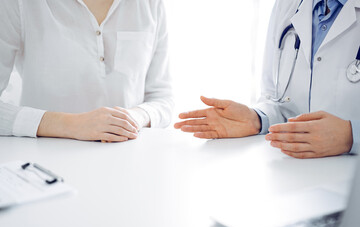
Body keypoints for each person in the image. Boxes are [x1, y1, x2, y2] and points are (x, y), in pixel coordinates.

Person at [175, 0, 360, 159]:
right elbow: (276, 96)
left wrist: (351, 136)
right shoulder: (287, 5)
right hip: (296, 177)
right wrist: (256, 119)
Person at [0, 0, 173, 142]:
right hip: (44, 165)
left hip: (127, 159)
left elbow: (162, 97)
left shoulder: (152, 4)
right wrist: (71, 125)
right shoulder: (19, 4)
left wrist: (135, 118)